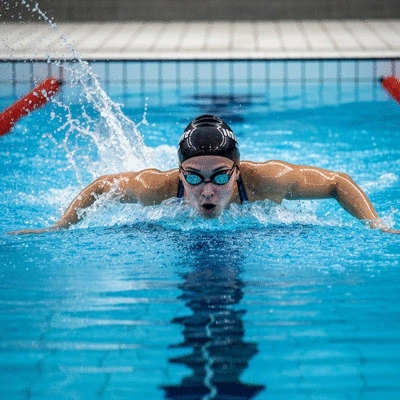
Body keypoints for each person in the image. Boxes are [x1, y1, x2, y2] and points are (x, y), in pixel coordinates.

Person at [11, 114, 399, 234]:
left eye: (220, 176)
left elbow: (337, 183)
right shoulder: (156, 188)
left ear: (237, 170)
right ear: (180, 174)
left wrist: (376, 223)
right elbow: (99, 187)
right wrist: (60, 227)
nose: (208, 190)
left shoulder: (266, 180)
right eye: (194, 178)